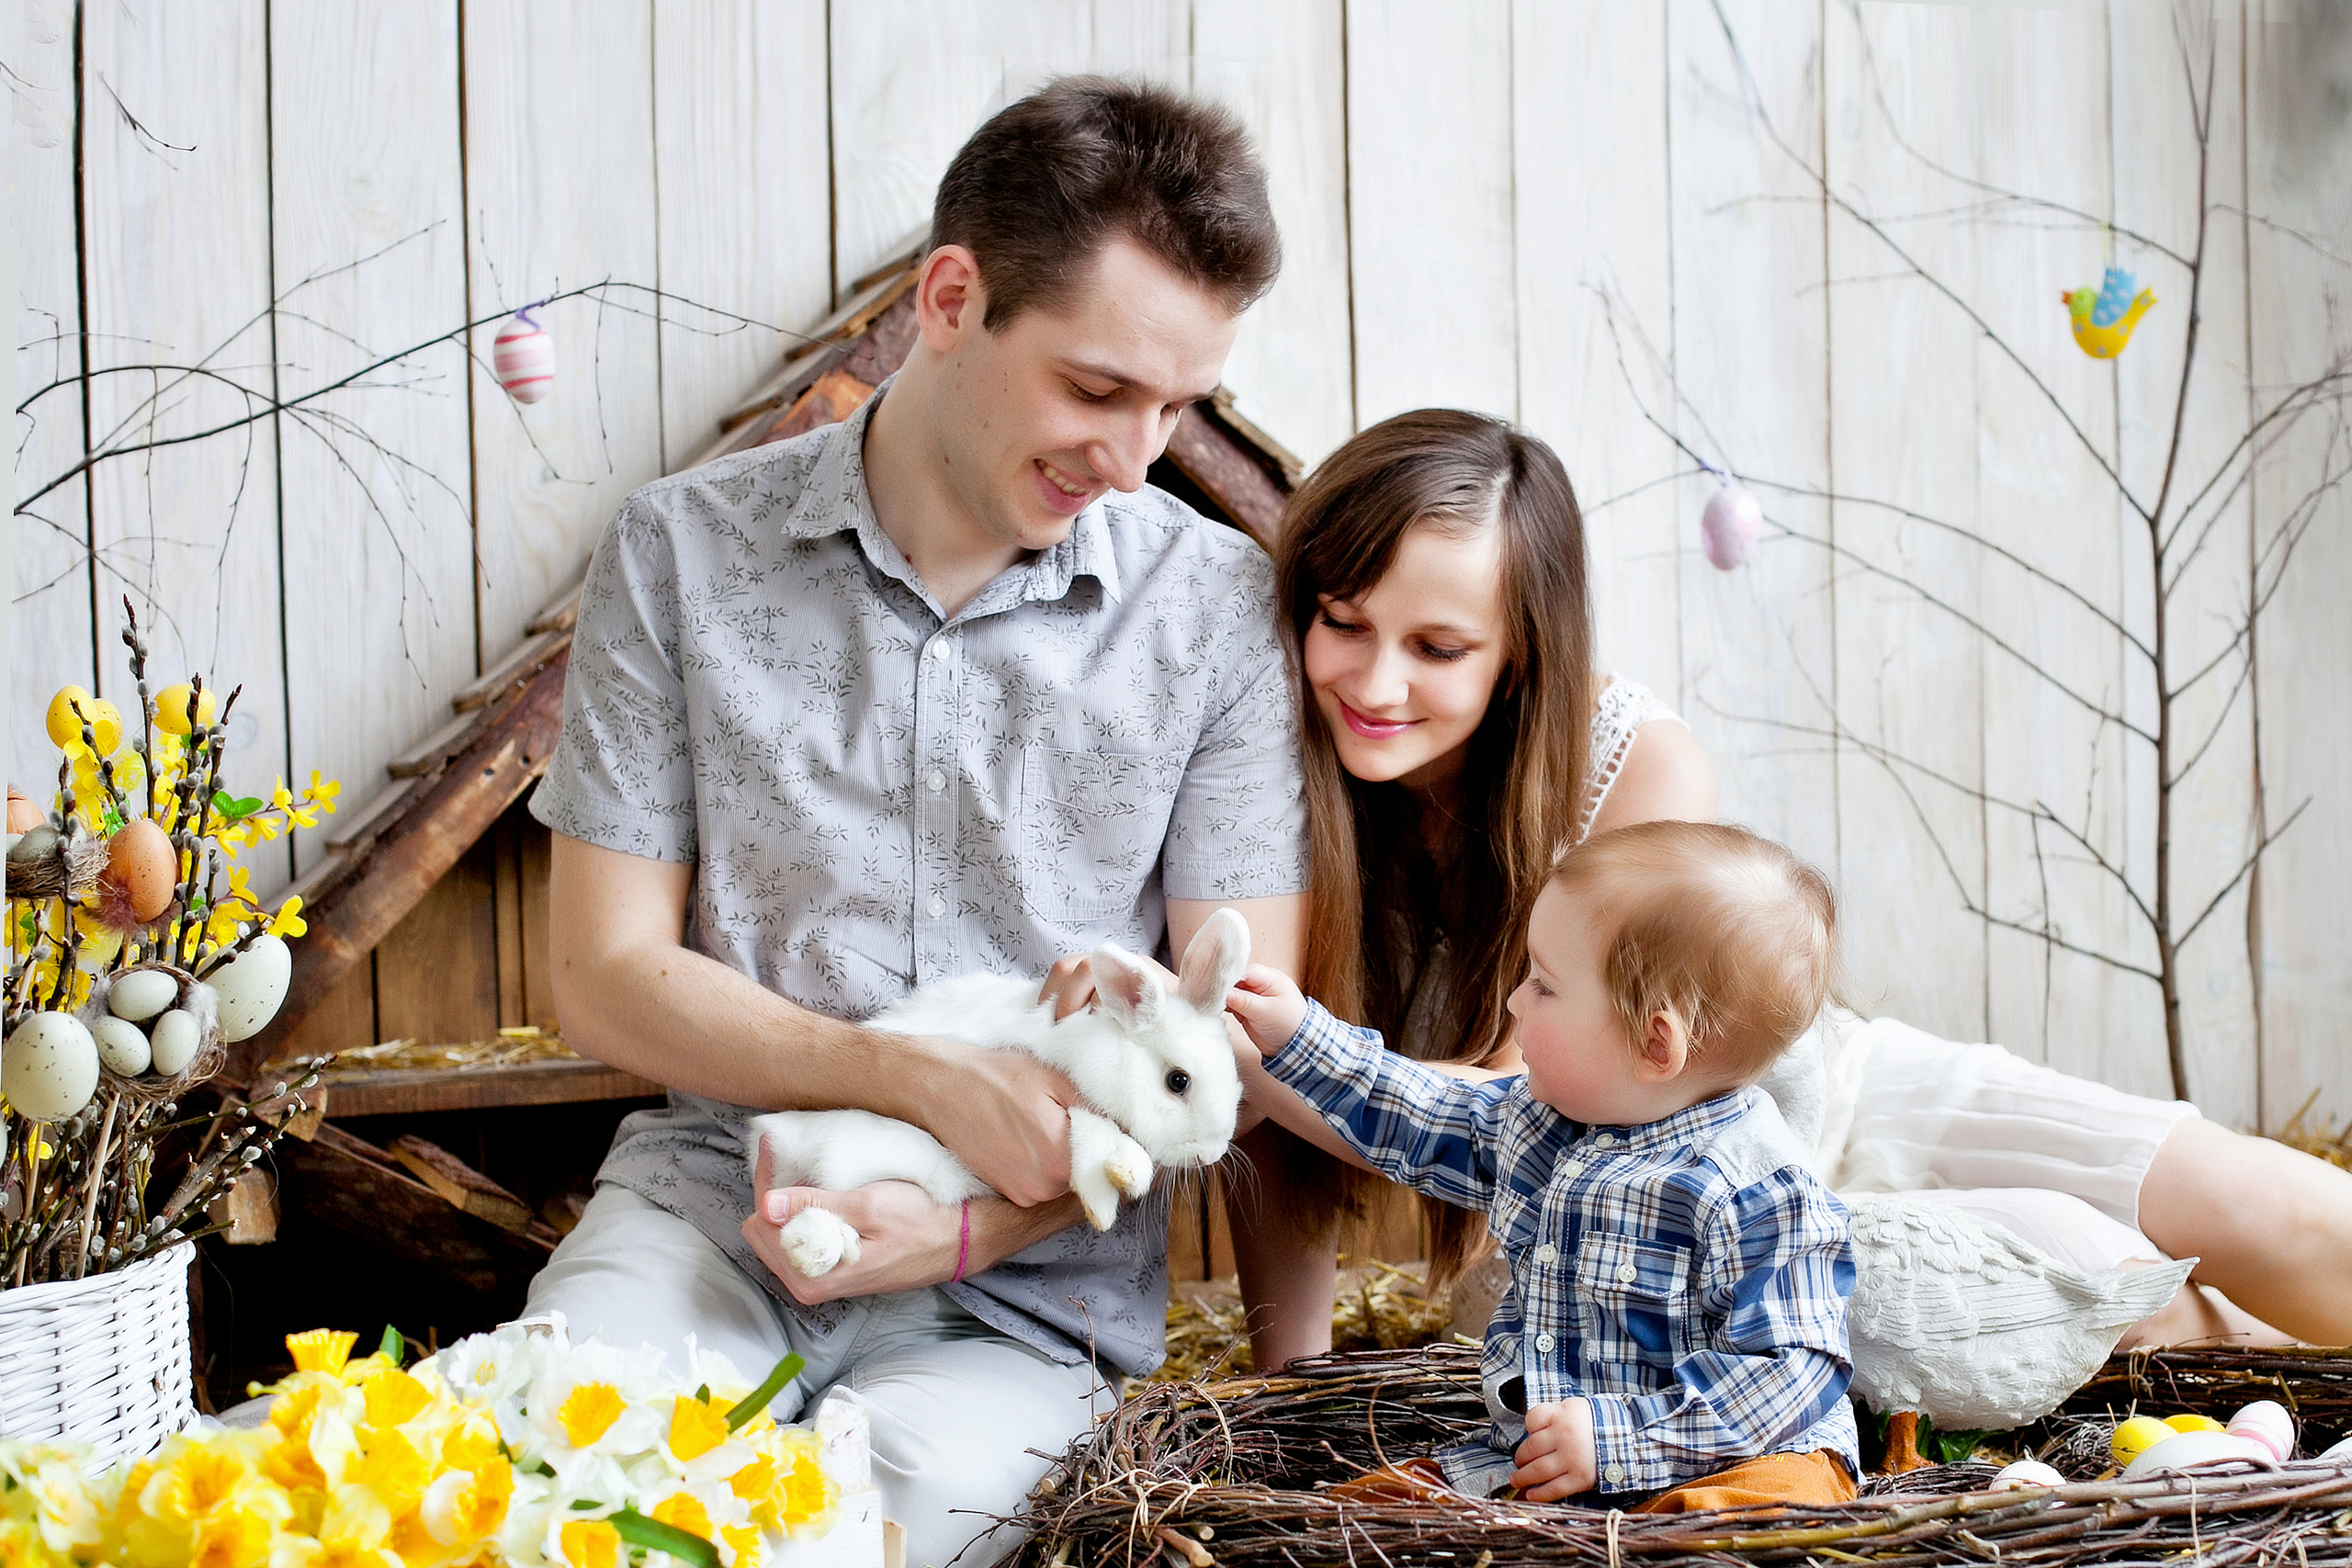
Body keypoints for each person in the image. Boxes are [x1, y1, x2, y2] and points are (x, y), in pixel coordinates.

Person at [522, 78, 1310, 1565]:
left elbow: (1240, 1038)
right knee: (553, 1475)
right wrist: (914, 1085)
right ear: (954, 299)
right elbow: (602, 973)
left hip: (1024, 1292)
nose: (1137, 457)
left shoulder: (1213, 608)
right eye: (1096, 389)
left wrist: (969, 1222)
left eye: (1177, 406)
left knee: (858, 1531)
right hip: (711, 1213)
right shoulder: (682, 552)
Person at [1219, 406, 2352, 1371]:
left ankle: (2215, 1320)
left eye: (1439, 647)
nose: (1375, 681)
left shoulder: (1626, 760)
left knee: (2281, 1213)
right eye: (1344, 623)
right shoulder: (1264, 781)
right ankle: (2195, 1331)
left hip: (1822, 1092)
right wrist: (1288, 1378)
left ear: (1520, 645)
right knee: (2098, 1279)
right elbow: (1302, 1114)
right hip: (1633, 1232)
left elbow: (1531, 1087)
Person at [1226, 820, 1862, 1510]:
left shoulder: (1759, 1191)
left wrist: (1617, 1440)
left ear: (1655, 1043)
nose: (1514, 1000)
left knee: (1774, 1496)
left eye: (1544, 986)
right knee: (1375, 1504)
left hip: (1726, 1458)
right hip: (1543, 1459)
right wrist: (1301, 1038)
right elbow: (1417, 1110)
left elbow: (1791, 1375)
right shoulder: (1536, 1123)